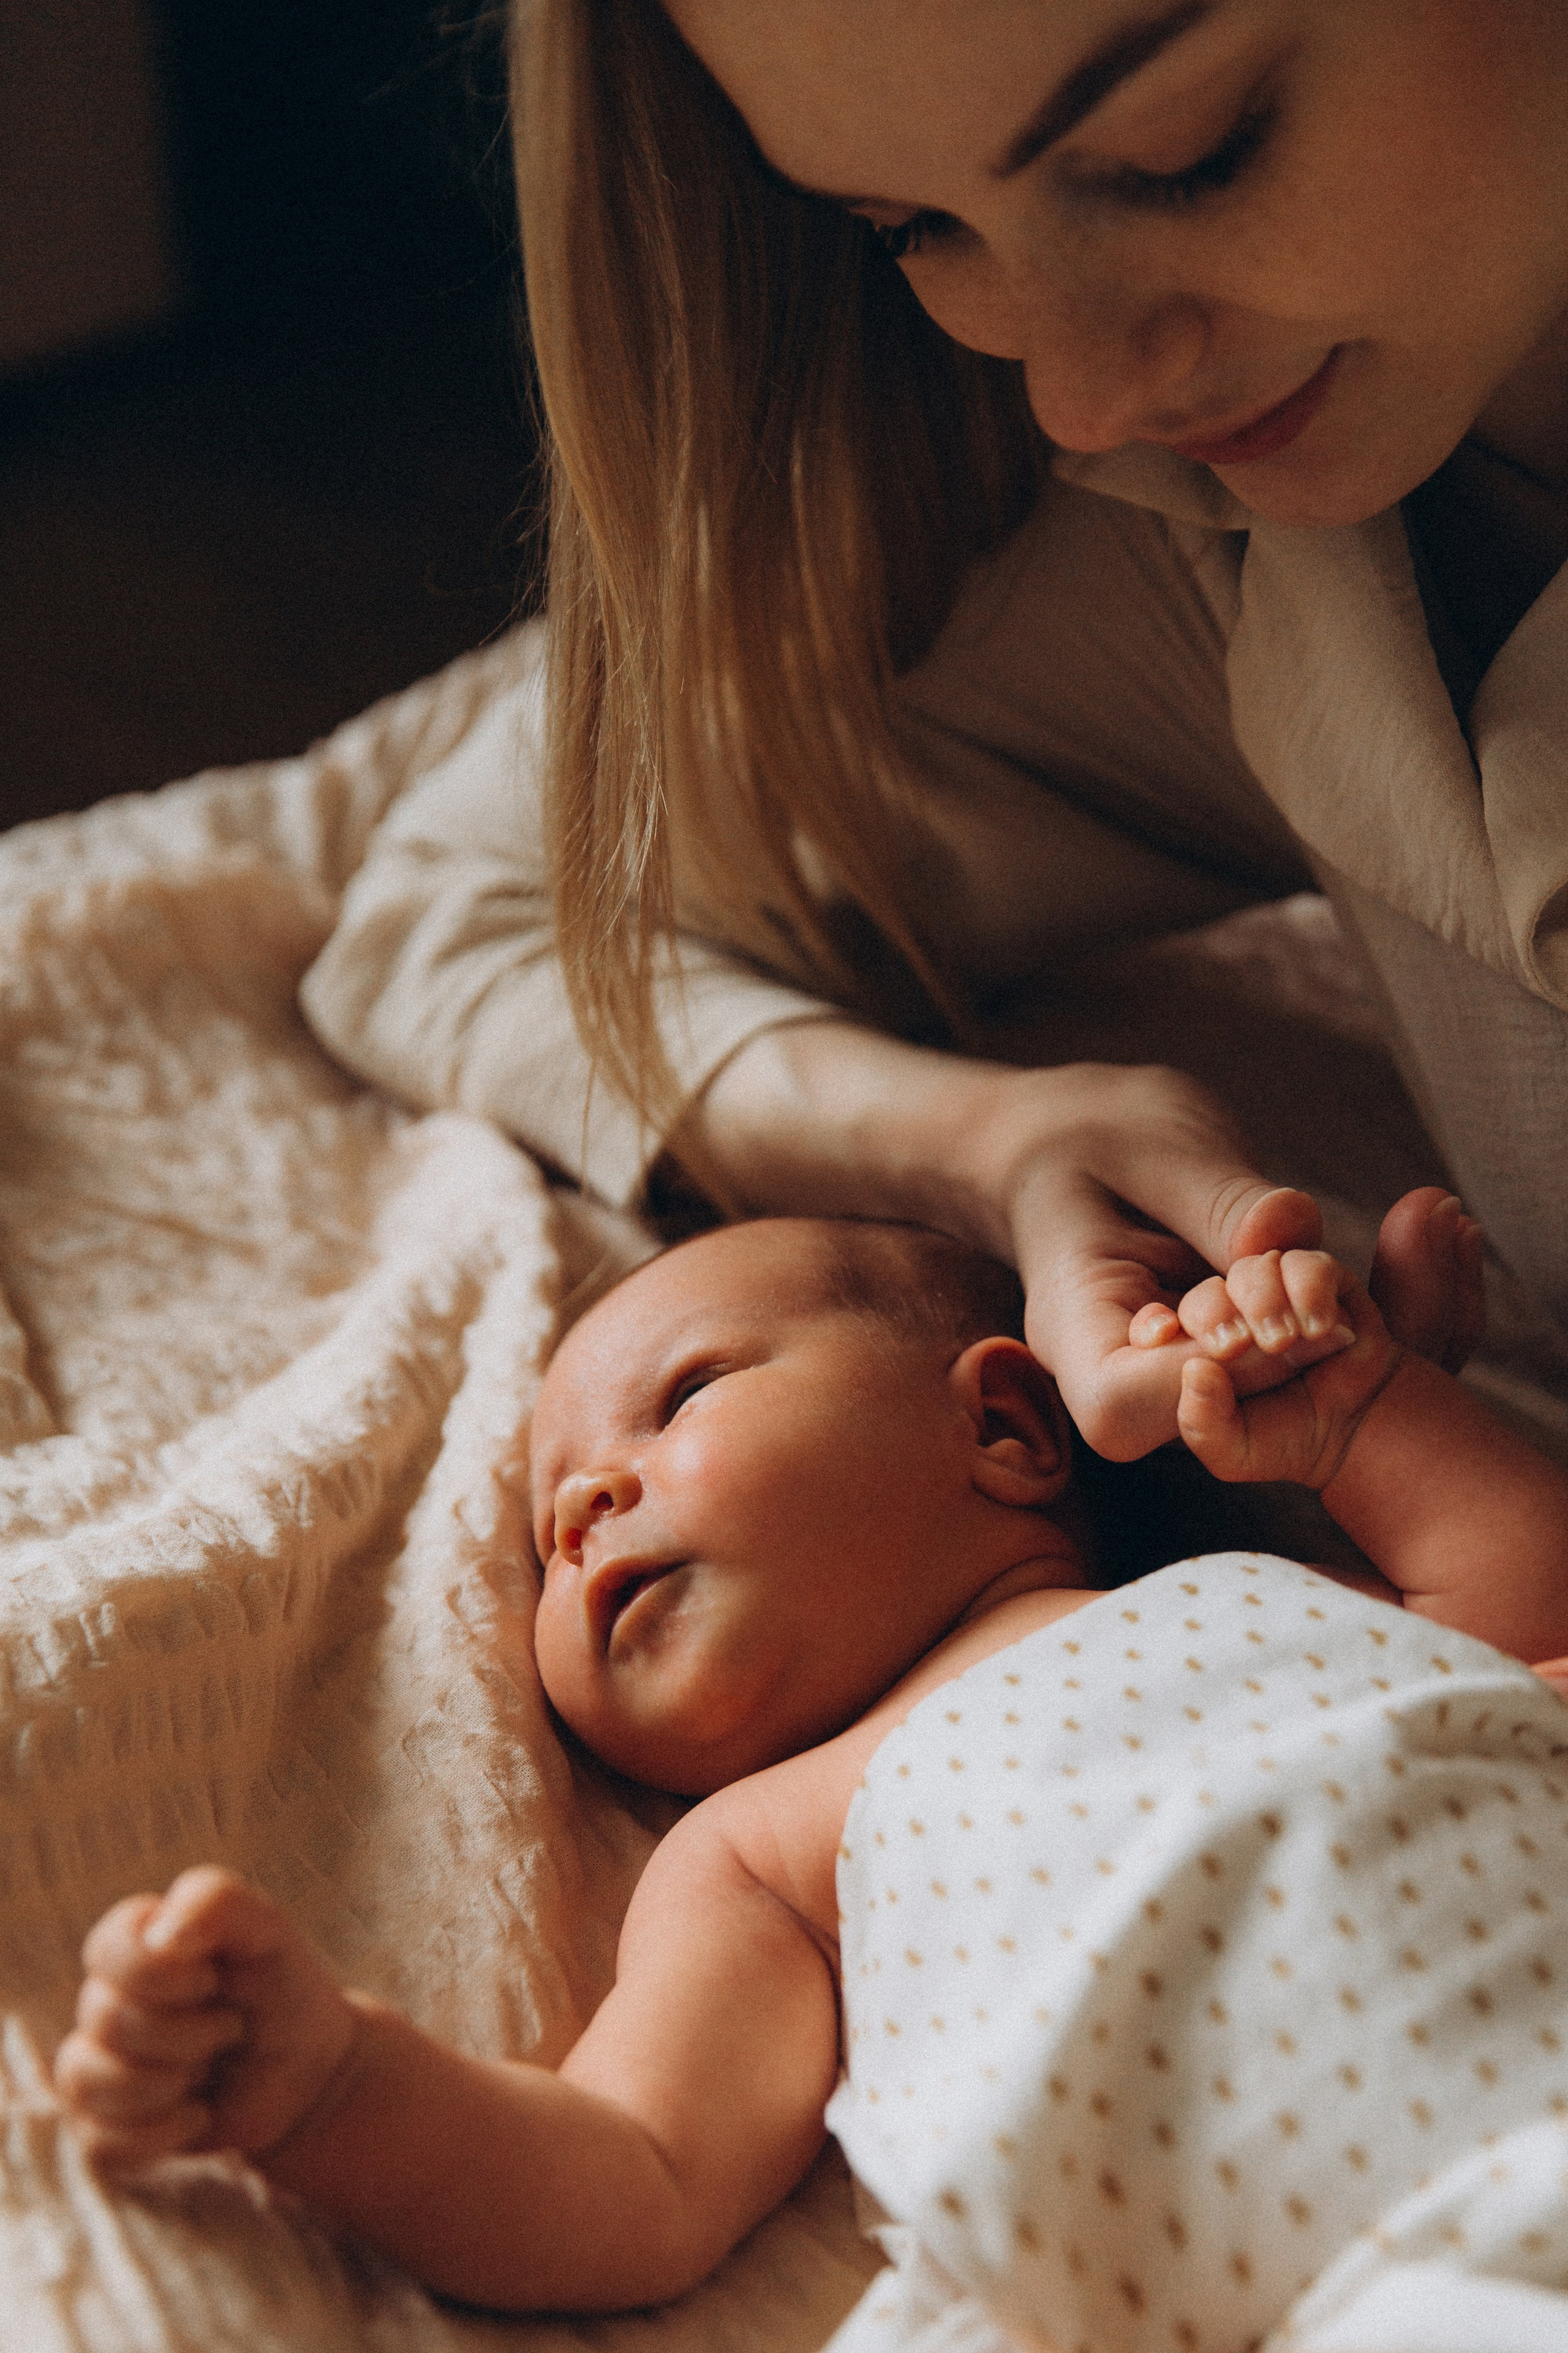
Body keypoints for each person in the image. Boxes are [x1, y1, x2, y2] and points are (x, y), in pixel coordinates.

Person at [300, 0, 1568, 1471]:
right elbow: (474, 904)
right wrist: (993, 1148)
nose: (1079, 394)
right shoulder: (1210, 528)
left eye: (1186, 155)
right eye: (909, 226)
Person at [53, 1196, 1568, 2322]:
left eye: (681, 1396)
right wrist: (335, 2087)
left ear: (1003, 1426)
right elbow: (630, 2172)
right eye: (545, 1525)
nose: (585, 1503)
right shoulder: (756, 1852)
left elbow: (1528, 1626)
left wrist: (1362, 1411)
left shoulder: (1265, 1603)